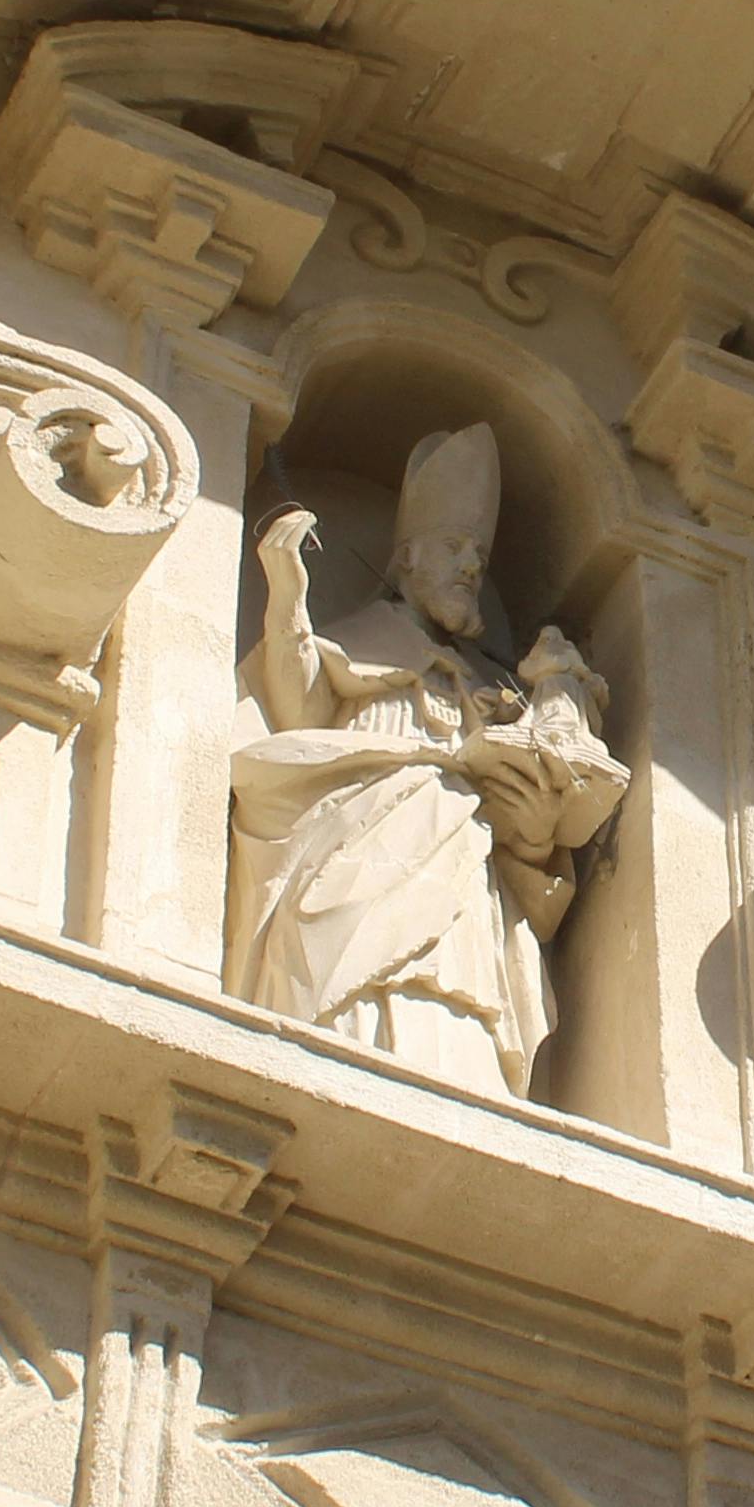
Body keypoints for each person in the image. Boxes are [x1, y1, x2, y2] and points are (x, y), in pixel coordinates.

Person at [227, 426, 623, 1093]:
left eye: (478, 554)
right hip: (355, 862)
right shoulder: (358, 643)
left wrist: (531, 836)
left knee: (458, 1023)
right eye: (452, 547)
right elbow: (292, 711)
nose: (471, 565)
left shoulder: (492, 689)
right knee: (349, 1006)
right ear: (406, 558)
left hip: (463, 895)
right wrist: (287, 594)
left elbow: (537, 844)